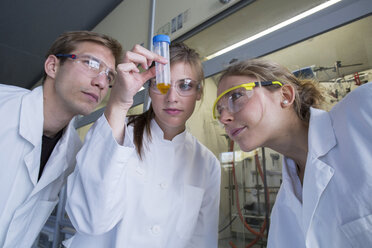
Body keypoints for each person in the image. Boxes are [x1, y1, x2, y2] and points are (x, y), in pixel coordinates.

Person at [65, 42, 221, 248]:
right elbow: (90, 220)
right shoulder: (117, 132)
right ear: (148, 89)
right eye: (161, 84)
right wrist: (118, 103)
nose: (172, 98)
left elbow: (202, 240)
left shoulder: (207, 164)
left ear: (199, 92)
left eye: (184, 85)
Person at [213, 58, 372, 247]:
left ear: (285, 95)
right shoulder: (284, 210)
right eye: (219, 109)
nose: (224, 117)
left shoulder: (363, 110)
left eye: (236, 97)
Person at [0, 30, 123, 247]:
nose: (102, 82)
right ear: (53, 66)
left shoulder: (73, 151)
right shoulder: (4, 106)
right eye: (92, 64)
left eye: (109, 76)